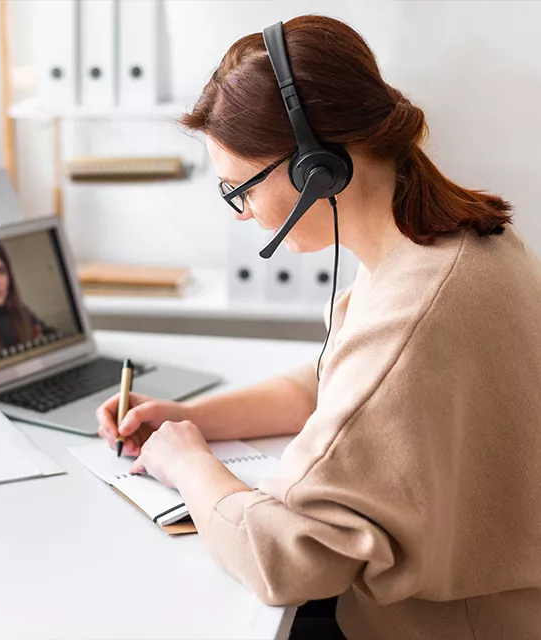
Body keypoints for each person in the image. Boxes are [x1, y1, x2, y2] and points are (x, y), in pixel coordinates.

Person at [97, 15, 541, 640]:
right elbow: (337, 386)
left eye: (239, 189)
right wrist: (188, 421)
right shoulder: (455, 246)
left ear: (317, 169)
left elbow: (286, 558)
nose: (243, 212)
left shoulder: (417, 309)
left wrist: (190, 466)